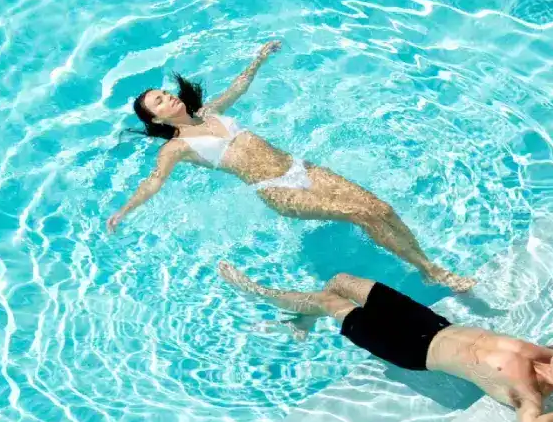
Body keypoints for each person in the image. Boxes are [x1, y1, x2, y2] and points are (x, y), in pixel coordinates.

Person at [107, 40, 474, 291]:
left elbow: (240, 86)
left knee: (381, 208)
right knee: (361, 215)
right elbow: (154, 182)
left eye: (166, 93)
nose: (168, 97)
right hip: (277, 190)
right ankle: (433, 272)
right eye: (160, 101)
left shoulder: (209, 111)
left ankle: (426, 266)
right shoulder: (176, 147)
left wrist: (259, 59)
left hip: (303, 168)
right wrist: (124, 210)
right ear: (156, 120)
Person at [217, 262, 553, 422]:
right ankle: (302, 320)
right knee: (342, 280)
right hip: (430, 324)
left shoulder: (528, 395)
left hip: (408, 350)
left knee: (329, 302)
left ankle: (260, 293)